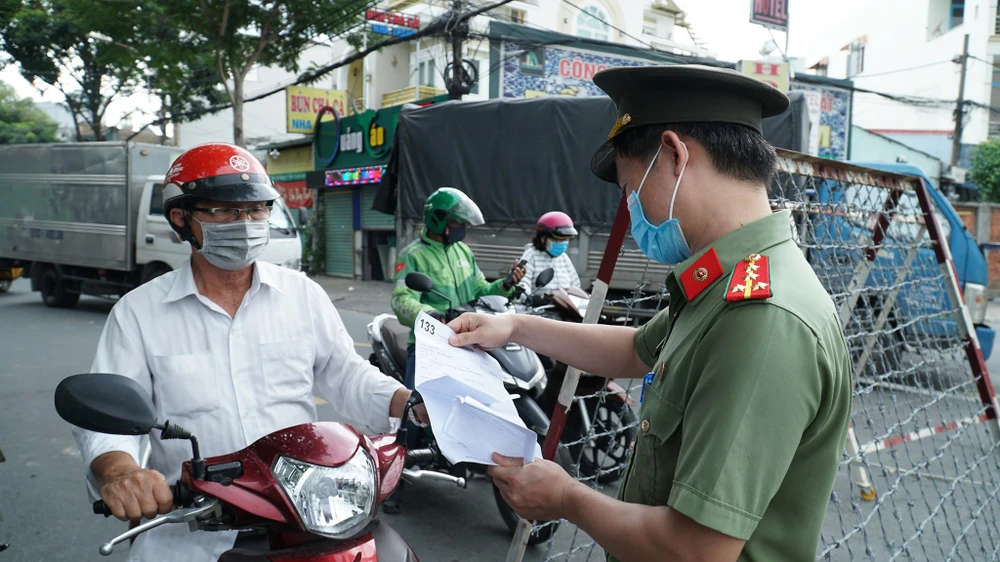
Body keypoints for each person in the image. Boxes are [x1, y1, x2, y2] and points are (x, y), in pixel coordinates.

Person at [448, 65, 852, 562]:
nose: (630, 208)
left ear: (675, 155)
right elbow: (636, 349)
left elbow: (698, 550)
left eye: (630, 189)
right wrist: (514, 326)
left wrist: (567, 498)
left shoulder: (762, 317)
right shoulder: (727, 280)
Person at [72, 143, 426, 562]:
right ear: (180, 218)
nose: (245, 223)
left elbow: (346, 373)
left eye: (257, 209)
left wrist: (410, 403)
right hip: (191, 531)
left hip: (309, 518)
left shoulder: (302, 295)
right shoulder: (138, 313)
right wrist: (122, 472)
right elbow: (109, 420)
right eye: (224, 211)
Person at [517, 211, 581, 296]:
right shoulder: (531, 256)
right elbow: (522, 285)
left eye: (565, 240)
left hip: (563, 303)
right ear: (543, 239)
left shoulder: (564, 258)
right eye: (558, 240)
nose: (562, 243)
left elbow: (575, 286)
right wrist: (532, 299)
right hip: (539, 304)